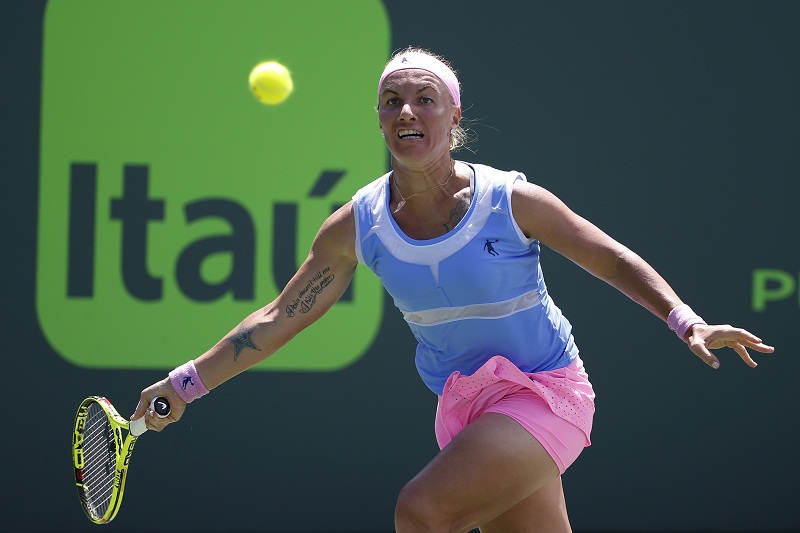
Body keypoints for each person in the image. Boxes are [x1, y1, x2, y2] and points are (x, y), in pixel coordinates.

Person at [133, 47, 774, 532]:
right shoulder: (356, 225)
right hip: (467, 413)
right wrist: (185, 382)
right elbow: (279, 317)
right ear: (381, 119)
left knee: (420, 510)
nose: (406, 110)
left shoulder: (512, 201)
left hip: (547, 396)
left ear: (454, 115)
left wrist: (687, 321)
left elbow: (609, 258)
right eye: (392, 100)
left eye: (424, 98)